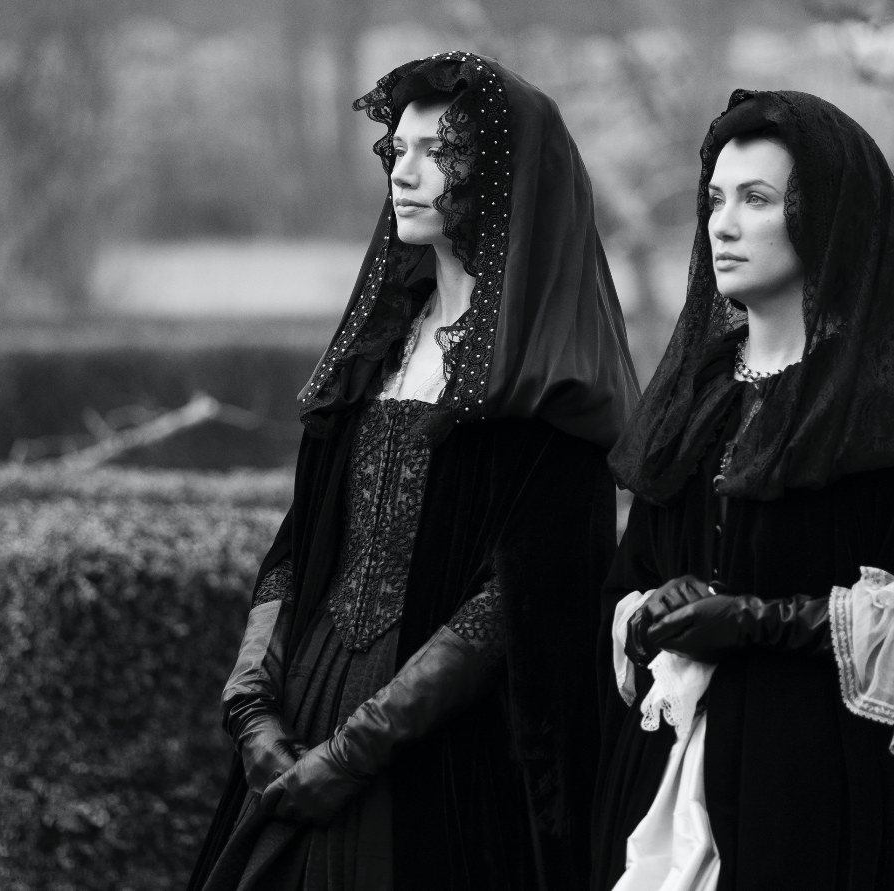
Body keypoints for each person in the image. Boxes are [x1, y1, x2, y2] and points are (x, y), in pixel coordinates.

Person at [188, 52, 640, 891]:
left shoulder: (546, 382)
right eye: (397, 150)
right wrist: (251, 704)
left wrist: (355, 750)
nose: (406, 171)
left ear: (500, 177)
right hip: (304, 704)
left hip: (444, 753)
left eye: (439, 151)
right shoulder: (373, 354)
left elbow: (518, 602)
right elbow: (301, 541)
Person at [591, 90, 894, 890]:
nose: (722, 224)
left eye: (756, 199)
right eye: (715, 200)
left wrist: (761, 622)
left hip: (821, 801)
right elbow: (627, 580)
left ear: (826, 215)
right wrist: (651, 609)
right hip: (670, 783)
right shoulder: (700, 398)